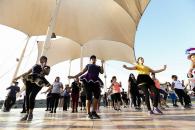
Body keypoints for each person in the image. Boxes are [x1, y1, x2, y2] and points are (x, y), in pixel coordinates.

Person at [14, 56, 51, 121]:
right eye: (41, 59)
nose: (42, 61)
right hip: (30, 80)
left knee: (32, 96)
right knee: (27, 97)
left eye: (44, 60)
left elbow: (47, 73)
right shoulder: (35, 65)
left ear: (46, 61)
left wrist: (43, 67)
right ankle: (27, 114)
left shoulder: (47, 67)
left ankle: (31, 113)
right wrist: (17, 78)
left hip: (39, 82)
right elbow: (27, 73)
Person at [68, 55, 104, 119]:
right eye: (92, 58)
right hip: (88, 81)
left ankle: (93, 112)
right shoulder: (88, 65)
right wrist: (74, 76)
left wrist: (102, 64)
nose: (93, 59)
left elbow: (102, 72)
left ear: (95, 60)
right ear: (90, 60)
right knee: (89, 96)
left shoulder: (98, 66)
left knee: (97, 96)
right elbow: (82, 72)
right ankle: (88, 113)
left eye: (94, 59)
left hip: (96, 81)